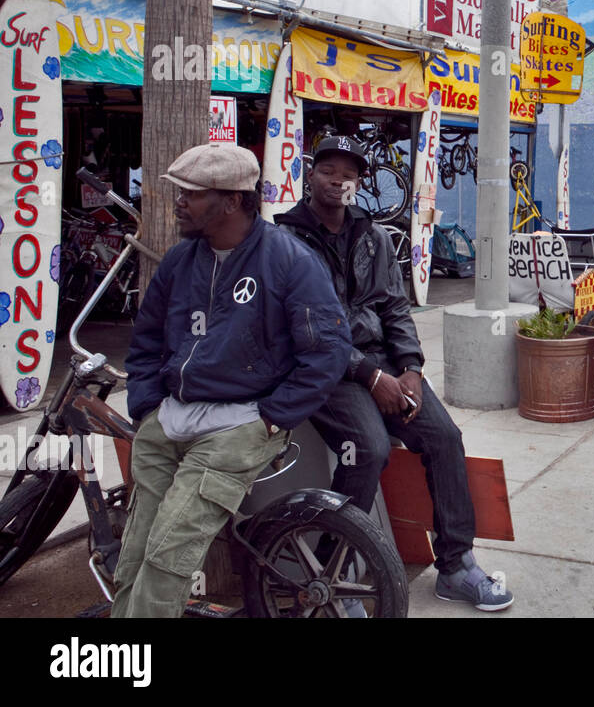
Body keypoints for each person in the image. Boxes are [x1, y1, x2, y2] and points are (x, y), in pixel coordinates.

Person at [277, 136, 514, 610]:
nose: (338, 180)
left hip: (383, 363)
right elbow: (306, 328)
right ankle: (332, 575)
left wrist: (409, 367)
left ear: (360, 183)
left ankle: (456, 565)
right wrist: (369, 376)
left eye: (349, 173)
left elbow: (394, 308)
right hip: (322, 370)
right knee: (368, 449)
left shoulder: (374, 236)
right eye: (328, 170)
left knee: (444, 437)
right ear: (311, 175)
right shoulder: (284, 241)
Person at [114, 144, 350, 619]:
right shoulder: (182, 261)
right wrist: (145, 406)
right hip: (169, 421)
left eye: (191, 194)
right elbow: (144, 341)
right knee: (136, 549)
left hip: (239, 424)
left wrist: (270, 418)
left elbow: (328, 351)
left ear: (232, 201)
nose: (178, 202)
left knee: (168, 552)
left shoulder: (289, 261)